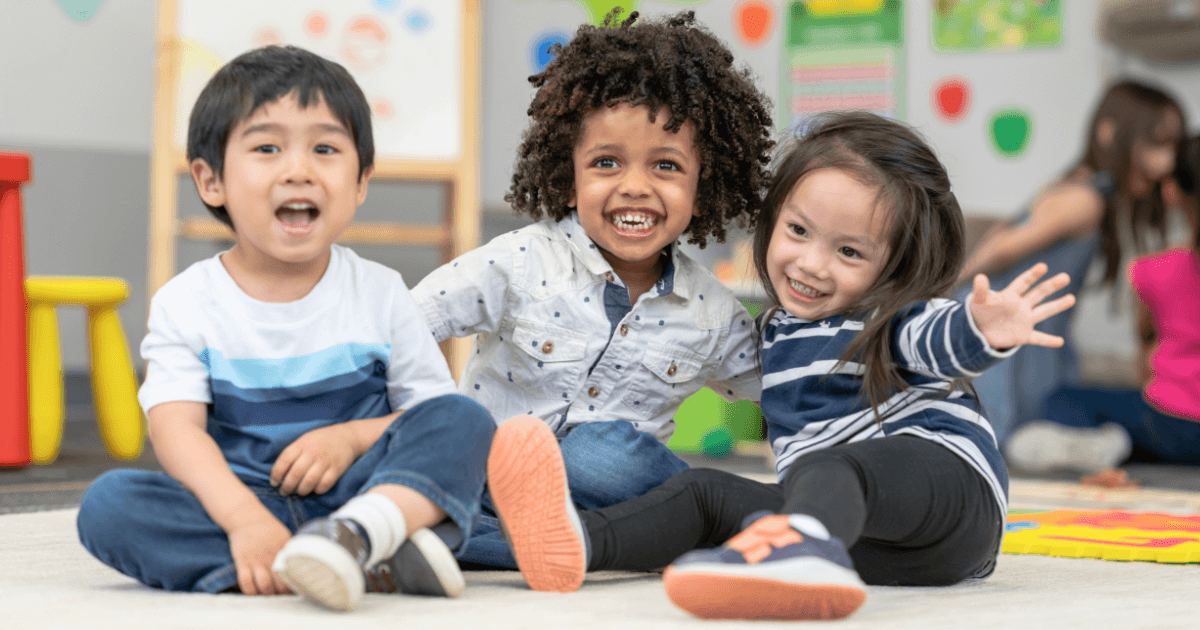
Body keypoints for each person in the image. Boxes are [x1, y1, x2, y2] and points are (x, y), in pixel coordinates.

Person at [483, 111, 1077, 619]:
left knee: (840, 466)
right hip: (858, 539)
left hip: (949, 499)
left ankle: (800, 552)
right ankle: (576, 545)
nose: (812, 264)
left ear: (892, 268)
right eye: (798, 231)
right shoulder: (771, 333)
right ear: (771, 223)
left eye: (848, 251)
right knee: (704, 494)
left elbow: (937, 339)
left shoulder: (882, 319)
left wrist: (981, 331)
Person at [75, 46, 495, 613]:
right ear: (211, 180)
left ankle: (357, 539)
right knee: (110, 507)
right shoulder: (187, 301)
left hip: (361, 493)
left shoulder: (380, 290)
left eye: (325, 149)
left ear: (361, 180)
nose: (298, 169)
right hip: (243, 501)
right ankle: (343, 559)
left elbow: (425, 416)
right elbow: (176, 431)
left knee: (465, 418)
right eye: (267, 148)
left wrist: (349, 439)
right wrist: (245, 521)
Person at [409, 10, 774, 569]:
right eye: (606, 162)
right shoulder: (519, 262)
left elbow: (784, 395)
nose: (634, 187)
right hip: (485, 484)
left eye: (666, 166)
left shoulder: (712, 315)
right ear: (569, 176)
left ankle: (723, 522)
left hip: (614, 492)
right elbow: (404, 326)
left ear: (702, 190)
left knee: (596, 452)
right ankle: (568, 545)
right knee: (432, 497)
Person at [956, 80, 1186, 446]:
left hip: (1034, 328)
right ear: (1109, 134)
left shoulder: (1088, 193)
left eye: (1173, 145)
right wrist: (942, 288)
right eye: (1157, 143)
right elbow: (1004, 245)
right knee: (1003, 432)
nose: (1166, 160)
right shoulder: (1085, 198)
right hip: (1003, 323)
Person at [1007, 132, 1200, 473]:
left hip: (1169, 422)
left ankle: (1114, 444)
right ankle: (1117, 444)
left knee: (1062, 399)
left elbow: (1144, 357)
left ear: (1172, 192)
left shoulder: (1152, 272)